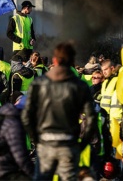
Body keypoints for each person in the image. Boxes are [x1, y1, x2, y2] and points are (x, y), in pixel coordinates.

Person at [21, 42, 98, 180]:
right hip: (68, 143)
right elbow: (91, 117)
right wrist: (82, 144)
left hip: (45, 143)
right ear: (73, 61)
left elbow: (26, 116)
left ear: (55, 60)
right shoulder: (80, 86)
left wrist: (35, 139)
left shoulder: (39, 84)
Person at [0, 95, 34, 180]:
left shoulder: (6, 118)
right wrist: (33, 174)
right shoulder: (14, 124)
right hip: (4, 171)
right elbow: (20, 156)